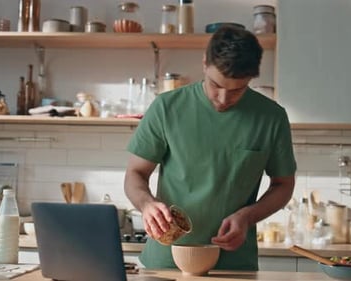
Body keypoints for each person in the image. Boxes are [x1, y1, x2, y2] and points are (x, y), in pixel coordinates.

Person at [124, 25, 296, 270]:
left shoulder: (272, 117)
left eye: (237, 90)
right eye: (216, 85)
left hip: (234, 265)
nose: (224, 99)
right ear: (204, 63)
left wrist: (247, 217)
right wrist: (146, 204)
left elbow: (283, 185)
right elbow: (135, 174)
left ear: (252, 78)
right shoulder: (166, 108)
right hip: (166, 263)